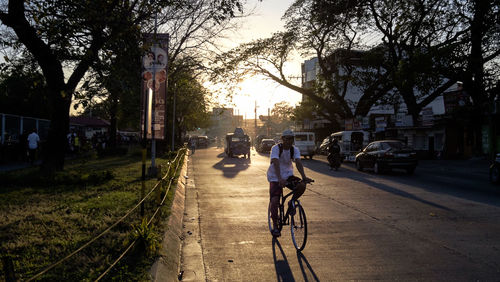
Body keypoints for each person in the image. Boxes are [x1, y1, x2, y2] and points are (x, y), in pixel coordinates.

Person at [267, 129, 313, 237]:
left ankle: (291, 202)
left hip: (288, 176)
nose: (289, 141)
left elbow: (298, 162)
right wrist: (279, 179)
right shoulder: (276, 148)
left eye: (291, 139)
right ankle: (275, 226)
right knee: (274, 201)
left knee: (301, 185)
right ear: (282, 139)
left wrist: (304, 177)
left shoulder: (294, 149)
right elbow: (276, 162)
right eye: (287, 139)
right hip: (275, 177)